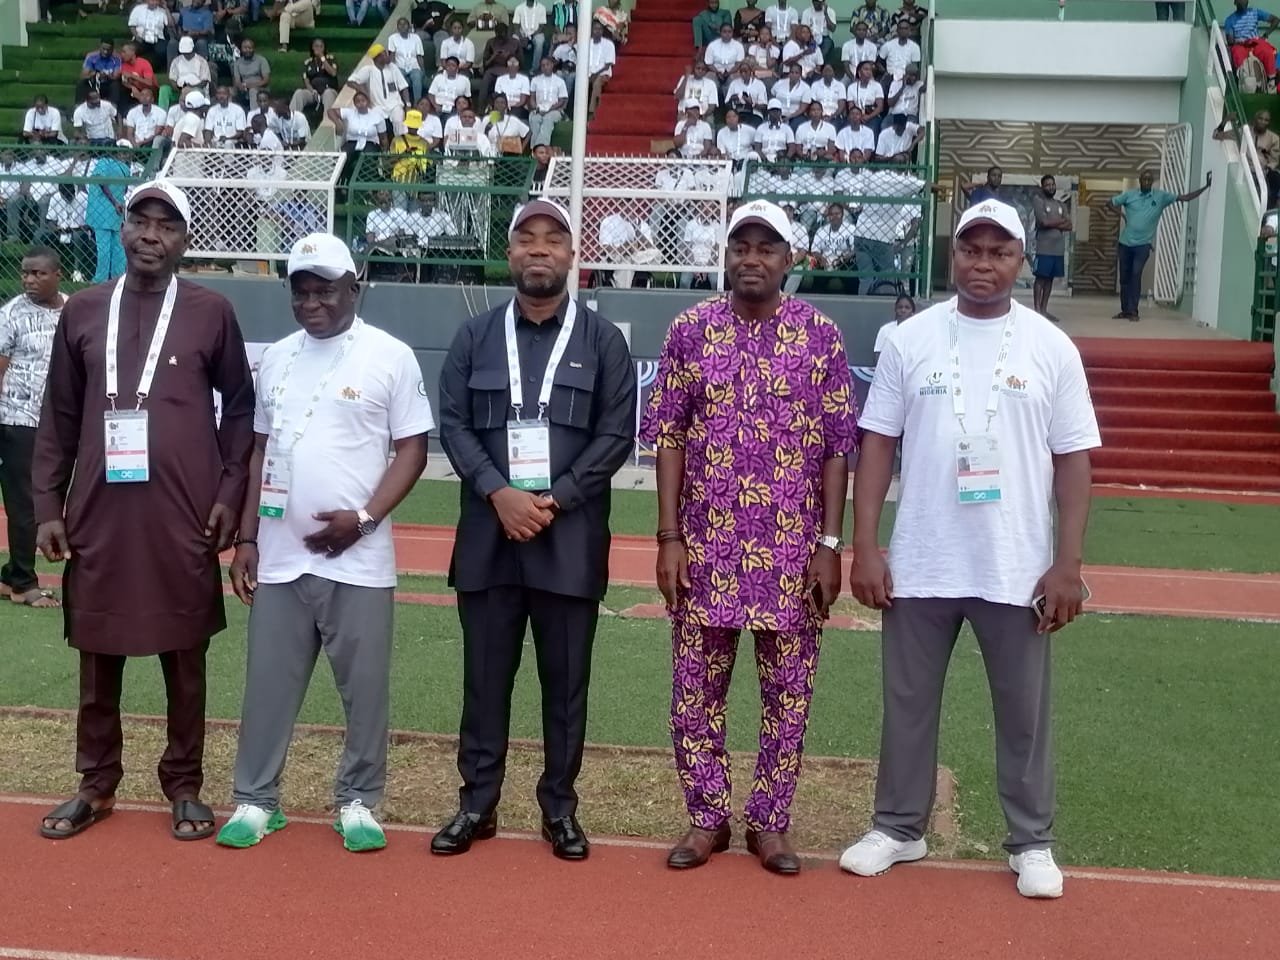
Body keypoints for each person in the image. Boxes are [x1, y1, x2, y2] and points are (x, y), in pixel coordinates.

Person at [841, 198, 1101, 901]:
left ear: (1021, 260)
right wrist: (865, 545)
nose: (983, 264)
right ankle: (899, 826)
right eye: (970, 250)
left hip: (1015, 565)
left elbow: (1074, 459)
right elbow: (877, 445)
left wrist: (1068, 563)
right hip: (922, 559)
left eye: (999, 252)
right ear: (952, 255)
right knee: (908, 703)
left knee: (1024, 711)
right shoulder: (909, 339)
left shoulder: (1052, 346)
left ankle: (1032, 841)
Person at [33, 179, 254, 842]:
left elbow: (241, 411)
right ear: (122, 227)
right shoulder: (83, 311)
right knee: (97, 655)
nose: (151, 235)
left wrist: (227, 497)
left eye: (167, 225)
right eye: (141, 221)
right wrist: (47, 504)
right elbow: (59, 416)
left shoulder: (211, 311)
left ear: (186, 240)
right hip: (98, 513)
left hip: (183, 514)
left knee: (184, 654)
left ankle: (183, 785)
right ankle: (95, 784)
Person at [640, 199, 857, 875]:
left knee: (787, 696)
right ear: (725, 256)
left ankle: (770, 823)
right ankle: (707, 820)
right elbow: (669, 435)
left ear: (790, 260)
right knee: (693, 695)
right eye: (742, 246)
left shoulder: (821, 335)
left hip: (791, 557)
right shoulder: (690, 331)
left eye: (767, 248)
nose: (752, 259)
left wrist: (830, 544)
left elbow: (836, 448)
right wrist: (668, 537)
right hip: (705, 552)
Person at [432, 199, 637, 861]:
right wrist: (500, 493)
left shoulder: (604, 342)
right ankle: (476, 805)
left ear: (572, 255)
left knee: (565, 686)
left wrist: (550, 502)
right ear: (511, 253)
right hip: (490, 540)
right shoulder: (474, 336)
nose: (540, 250)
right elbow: (455, 426)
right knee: (485, 683)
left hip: (569, 545)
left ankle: (559, 810)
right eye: (527, 239)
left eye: (554, 239)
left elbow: (615, 436)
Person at [217, 233, 432, 852]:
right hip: (281, 556)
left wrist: (363, 519)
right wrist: (249, 537)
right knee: (267, 685)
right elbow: (260, 448)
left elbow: (412, 448)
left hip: (358, 558)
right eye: (302, 290)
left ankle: (359, 800)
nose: (313, 302)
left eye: (325, 289)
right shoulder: (278, 358)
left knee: (364, 690)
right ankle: (257, 799)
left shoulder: (389, 356)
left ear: (353, 289)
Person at [0, 247, 65, 610]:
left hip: (58, 424)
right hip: (18, 421)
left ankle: (10, 575)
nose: (29, 280)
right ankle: (24, 583)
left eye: (38, 273)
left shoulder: (72, 310)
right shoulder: (10, 315)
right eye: (25, 273)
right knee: (26, 504)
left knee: (52, 498)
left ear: (57, 274)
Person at [1110, 169, 1211, 321]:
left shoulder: (1161, 197)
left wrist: (1205, 187)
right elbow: (1109, 203)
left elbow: (1185, 198)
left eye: (1149, 180)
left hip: (1143, 245)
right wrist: (1123, 215)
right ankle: (1125, 310)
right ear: (1139, 180)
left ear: (1152, 182)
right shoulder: (1130, 195)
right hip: (1125, 244)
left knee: (1136, 274)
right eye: (1144, 179)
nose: (1146, 182)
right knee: (1124, 278)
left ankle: (1134, 311)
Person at [84, 149, 130, 282]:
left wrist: (113, 201)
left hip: (102, 210)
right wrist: (116, 200)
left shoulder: (104, 163)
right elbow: (125, 189)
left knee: (104, 248)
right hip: (117, 212)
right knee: (117, 247)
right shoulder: (125, 168)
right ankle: (118, 277)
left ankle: (101, 279)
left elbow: (101, 181)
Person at [1032, 174, 1071, 320]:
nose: (1051, 187)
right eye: (1047, 185)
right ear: (1043, 187)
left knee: (1049, 280)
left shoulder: (1061, 204)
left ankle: (1044, 310)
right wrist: (1060, 222)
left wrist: (1052, 222)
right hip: (1044, 248)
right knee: (1040, 279)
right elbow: (1043, 222)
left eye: (1052, 184)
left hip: (1057, 250)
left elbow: (1069, 225)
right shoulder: (1039, 201)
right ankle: (1036, 312)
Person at [1224, 1, 1279, 82]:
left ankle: (1272, 81)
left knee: (1267, 51)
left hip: (1255, 42)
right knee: (1238, 54)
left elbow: (1276, 20)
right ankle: (1245, 82)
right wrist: (1238, 41)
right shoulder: (1230, 20)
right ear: (1235, 2)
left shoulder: (1255, 12)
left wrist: (1265, 35)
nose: (1243, 2)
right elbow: (1230, 42)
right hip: (1240, 45)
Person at [292, 38, 341, 115]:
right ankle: (291, 119)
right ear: (312, 47)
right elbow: (306, 81)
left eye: (321, 46)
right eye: (316, 46)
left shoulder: (331, 59)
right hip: (314, 92)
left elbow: (333, 73)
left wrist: (322, 58)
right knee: (299, 93)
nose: (319, 49)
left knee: (328, 93)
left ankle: (327, 124)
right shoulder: (308, 62)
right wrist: (312, 91)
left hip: (328, 90)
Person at [529, 56, 569, 147]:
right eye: (543, 65)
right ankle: (534, 150)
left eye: (547, 64)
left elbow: (562, 100)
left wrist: (549, 110)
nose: (545, 67)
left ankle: (540, 148)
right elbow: (532, 98)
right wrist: (536, 108)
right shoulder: (535, 80)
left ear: (552, 65)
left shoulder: (560, 81)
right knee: (535, 120)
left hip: (555, 110)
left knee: (548, 119)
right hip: (539, 109)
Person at [388, 17, 427, 102]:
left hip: (414, 66)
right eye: (400, 24)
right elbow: (392, 56)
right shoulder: (392, 38)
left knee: (417, 77)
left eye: (404, 24)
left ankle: (418, 103)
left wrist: (423, 70)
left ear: (409, 26)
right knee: (399, 78)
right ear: (397, 27)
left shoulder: (416, 37)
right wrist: (392, 70)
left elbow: (419, 55)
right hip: (399, 66)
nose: (402, 26)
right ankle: (405, 103)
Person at [77, 39, 123, 108]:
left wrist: (107, 76)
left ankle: (113, 109)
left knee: (116, 84)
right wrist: (95, 73)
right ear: (100, 47)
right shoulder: (91, 57)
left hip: (108, 83)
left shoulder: (116, 58)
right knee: (82, 83)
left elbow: (116, 76)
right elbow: (83, 75)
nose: (105, 52)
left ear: (112, 49)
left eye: (108, 49)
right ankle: (78, 107)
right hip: (94, 82)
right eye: (103, 49)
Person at [587, 21, 616, 117]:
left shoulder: (609, 44)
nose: (597, 31)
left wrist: (594, 74)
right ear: (591, 30)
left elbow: (608, 65)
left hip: (603, 73)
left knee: (597, 83)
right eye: (595, 29)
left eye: (600, 29)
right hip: (587, 73)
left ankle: (593, 112)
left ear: (602, 31)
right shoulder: (586, 44)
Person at [873, 292, 914, 357]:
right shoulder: (885, 330)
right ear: (895, 309)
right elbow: (877, 354)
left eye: (907, 307)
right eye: (900, 307)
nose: (903, 310)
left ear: (912, 311)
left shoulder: (917, 331)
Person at [515, 0, 550, 67]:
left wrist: (530, 37)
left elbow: (541, 26)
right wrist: (521, 37)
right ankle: (516, 66)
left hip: (536, 33)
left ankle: (535, 68)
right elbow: (516, 25)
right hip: (522, 33)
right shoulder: (519, 8)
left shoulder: (542, 8)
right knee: (514, 39)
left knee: (540, 41)